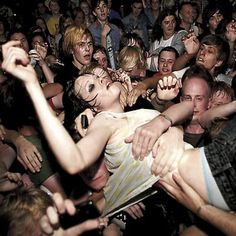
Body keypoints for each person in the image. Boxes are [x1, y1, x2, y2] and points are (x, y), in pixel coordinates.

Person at [2, 40, 195, 217]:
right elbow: (78, 164)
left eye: (102, 76)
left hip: (190, 174)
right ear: (92, 107)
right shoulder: (103, 123)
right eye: (92, 86)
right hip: (183, 183)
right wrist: (117, 194)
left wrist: (168, 125)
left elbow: (188, 107)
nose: (102, 80)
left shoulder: (129, 110)